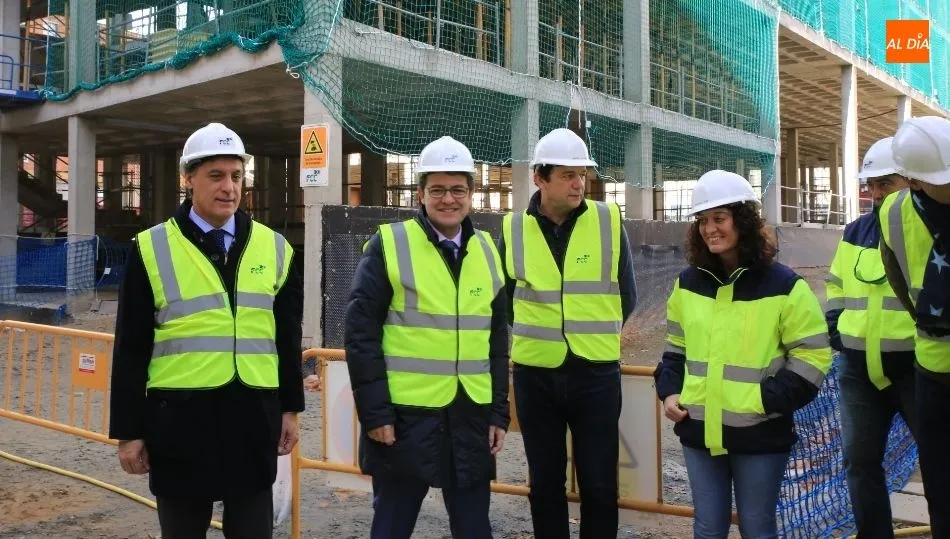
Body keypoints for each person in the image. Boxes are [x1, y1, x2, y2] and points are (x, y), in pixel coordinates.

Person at [109, 122, 305, 539]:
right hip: (180, 425)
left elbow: (285, 340)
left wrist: (290, 408)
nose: (229, 187)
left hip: (253, 420)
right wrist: (129, 432)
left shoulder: (276, 249)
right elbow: (131, 348)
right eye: (216, 176)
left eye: (236, 176)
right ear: (188, 179)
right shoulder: (152, 248)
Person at [343, 136, 510, 539]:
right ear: (420, 194)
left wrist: (498, 413)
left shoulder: (487, 250)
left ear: (472, 194)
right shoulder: (390, 244)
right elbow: (360, 335)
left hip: (469, 412)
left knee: (473, 528)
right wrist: (376, 414)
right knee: (392, 527)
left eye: (457, 189)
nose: (448, 199)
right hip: (405, 418)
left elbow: (496, 344)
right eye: (437, 189)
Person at [653, 170, 831, 538]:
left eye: (719, 218)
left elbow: (813, 358)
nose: (709, 229)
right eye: (703, 220)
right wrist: (670, 392)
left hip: (760, 435)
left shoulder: (785, 287)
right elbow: (675, 351)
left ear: (744, 220)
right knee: (707, 528)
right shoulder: (686, 284)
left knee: (757, 529)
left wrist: (762, 401)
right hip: (699, 432)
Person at [497, 127, 637, 539]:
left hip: (595, 373)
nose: (579, 184)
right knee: (544, 483)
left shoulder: (608, 220)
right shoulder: (511, 229)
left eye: (582, 175)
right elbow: (506, 301)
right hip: (534, 375)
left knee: (598, 484)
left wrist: (593, 335)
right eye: (567, 175)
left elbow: (627, 294)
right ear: (540, 178)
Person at [825, 137, 919, 537]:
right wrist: (837, 332)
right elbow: (836, 288)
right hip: (859, 372)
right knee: (860, 464)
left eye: (887, 183)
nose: (877, 194)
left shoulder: (932, 229)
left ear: (911, 181)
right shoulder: (856, 231)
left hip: (920, 369)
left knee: (939, 463)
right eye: (872, 185)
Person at [879, 115, 950, 539]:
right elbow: (901, 285)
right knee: (941, 487)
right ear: (916, 181)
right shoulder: (892, 215)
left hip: (931, 366)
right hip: (933, 372)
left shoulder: (893, 212)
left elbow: (905, 291)